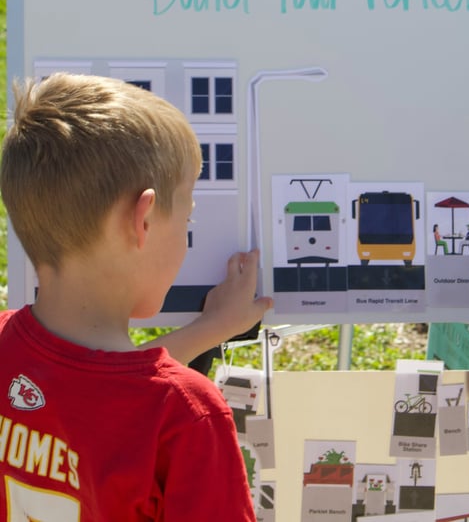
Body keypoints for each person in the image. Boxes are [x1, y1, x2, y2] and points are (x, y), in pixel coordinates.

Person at [0, 72, 274, 521]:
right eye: (186, 219)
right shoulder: (189, 418)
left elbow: (93, 386)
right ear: (142, 221)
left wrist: (209, 329)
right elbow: (117, 397)